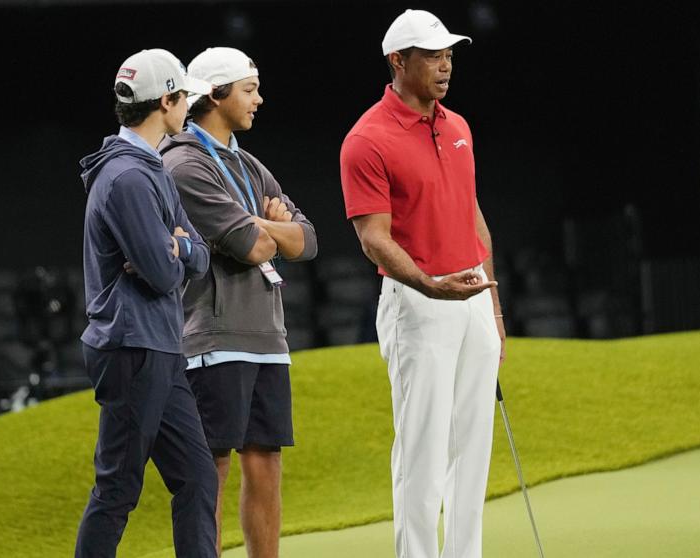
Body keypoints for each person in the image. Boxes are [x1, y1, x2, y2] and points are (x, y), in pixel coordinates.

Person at [339, 9, 506, 558]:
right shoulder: (367, 139)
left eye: (449, 55)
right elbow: (374, 239)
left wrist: (494, 306)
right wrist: (431, 286)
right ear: (398, 61)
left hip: (473, 297)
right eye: (433, 55)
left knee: (472, 447)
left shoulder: (457, 126)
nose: (445, 65)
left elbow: (472, 214)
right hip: (417, 303)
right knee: (423, 451)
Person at [160, 46, 318, 558]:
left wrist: (268, 226)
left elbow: (307, 241)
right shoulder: (183, 162)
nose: (259, 99)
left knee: (265, 462)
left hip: (267, 337)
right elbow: (253, 246)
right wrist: (273, 227)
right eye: (249, 89)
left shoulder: (247, 163)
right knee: (212, 466)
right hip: (212, 337)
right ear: (216, 94)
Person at [75, 48, 217, 558]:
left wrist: (175, 246)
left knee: (198, 476)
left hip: (156, 345)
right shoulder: (130, 177)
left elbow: (195, 252)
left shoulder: (144, 169)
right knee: (117, 488)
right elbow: (162, 274)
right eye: (184, 99)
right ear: (167, 101)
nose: (187, 109)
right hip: (132, 346)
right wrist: (174, 251)